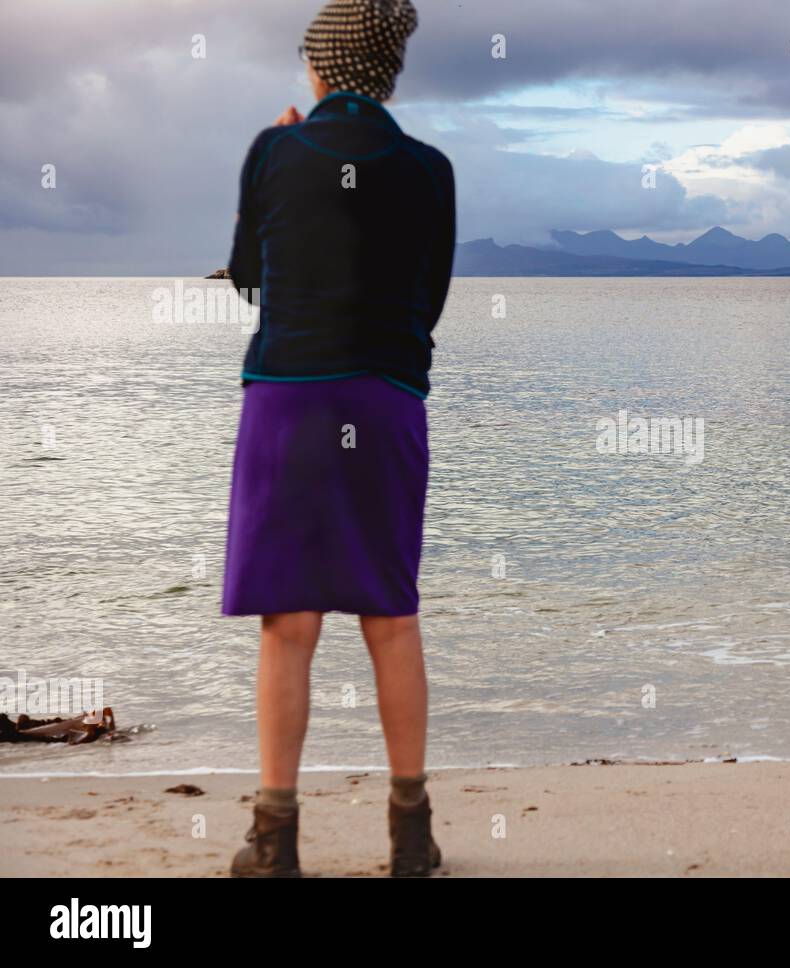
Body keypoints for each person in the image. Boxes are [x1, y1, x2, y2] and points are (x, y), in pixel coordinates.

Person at [221, 0, 455, 877]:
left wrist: (275, 155)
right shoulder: (431, 169)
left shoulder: (274, 150)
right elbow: (427, 300)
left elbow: (250, 275)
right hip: (387, 395)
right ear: (388, 74)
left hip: (287, 399)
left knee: (289, 623)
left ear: (318, 70)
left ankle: (274, 839)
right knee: (391, 618)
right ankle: (409, 837)